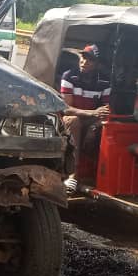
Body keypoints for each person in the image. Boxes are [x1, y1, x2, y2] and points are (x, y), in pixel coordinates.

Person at [59, 44, 111, 193]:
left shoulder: (105, 81)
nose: (84, 62)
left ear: (98, 64)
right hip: (73, 117)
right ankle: (73, 175)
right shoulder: (69, 76)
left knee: (105, 126)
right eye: (83, 57)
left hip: (91, 118)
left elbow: (107, 108)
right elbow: (66, 109)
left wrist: (97, 121)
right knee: (74, 122)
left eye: (90, 60)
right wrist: (92, 113)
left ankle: (99, 175)